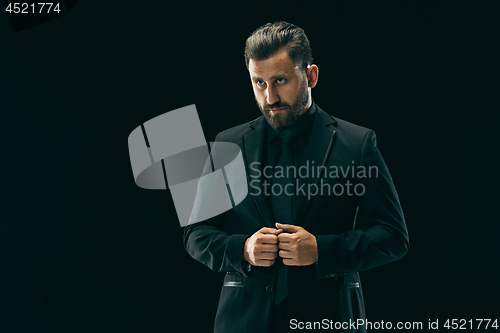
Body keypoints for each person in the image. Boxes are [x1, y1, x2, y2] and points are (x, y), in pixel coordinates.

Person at [183, 21, 409, 333]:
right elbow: (195, 234)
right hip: (244, 321)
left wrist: (321, 250)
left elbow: (393, 237)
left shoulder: (357, 143)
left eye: (279, 80)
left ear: (311, 76)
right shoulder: (228, 143)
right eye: (259, 83)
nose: (270, 97)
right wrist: (243, 249)